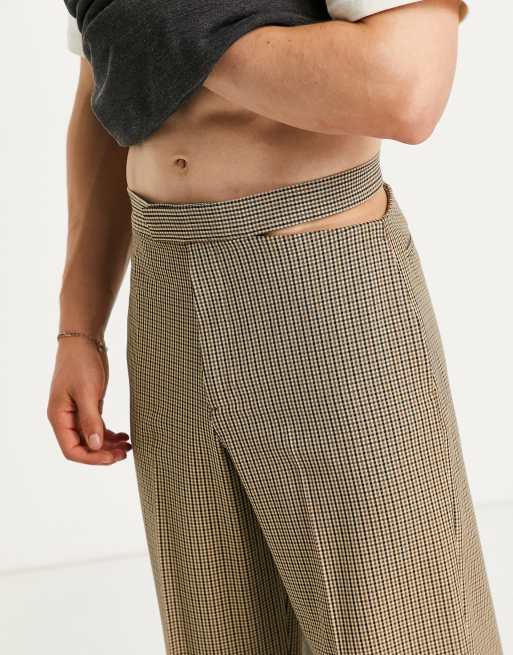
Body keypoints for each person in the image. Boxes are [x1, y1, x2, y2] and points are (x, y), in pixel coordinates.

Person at [48, 1, 503, 654]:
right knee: (215, 631)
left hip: (319, 286)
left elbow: (408, 89)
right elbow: (106, 78)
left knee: (398, 626)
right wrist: (78, 327)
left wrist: (171, 29)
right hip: (166, 287)